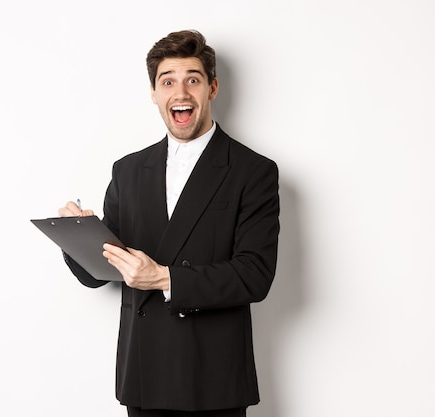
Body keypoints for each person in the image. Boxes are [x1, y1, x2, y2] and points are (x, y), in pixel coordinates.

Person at [58, 30, 280, 417]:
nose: (181, 92)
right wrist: (79, 237)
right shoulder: (127, 171)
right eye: (168, 81)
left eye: (193, 79)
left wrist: (163, 278)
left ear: (212, 88)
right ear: (154, 92)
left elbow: (255, 275)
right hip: (144, 375)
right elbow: (100, 273)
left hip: (213, 380)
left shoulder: (253, 171)